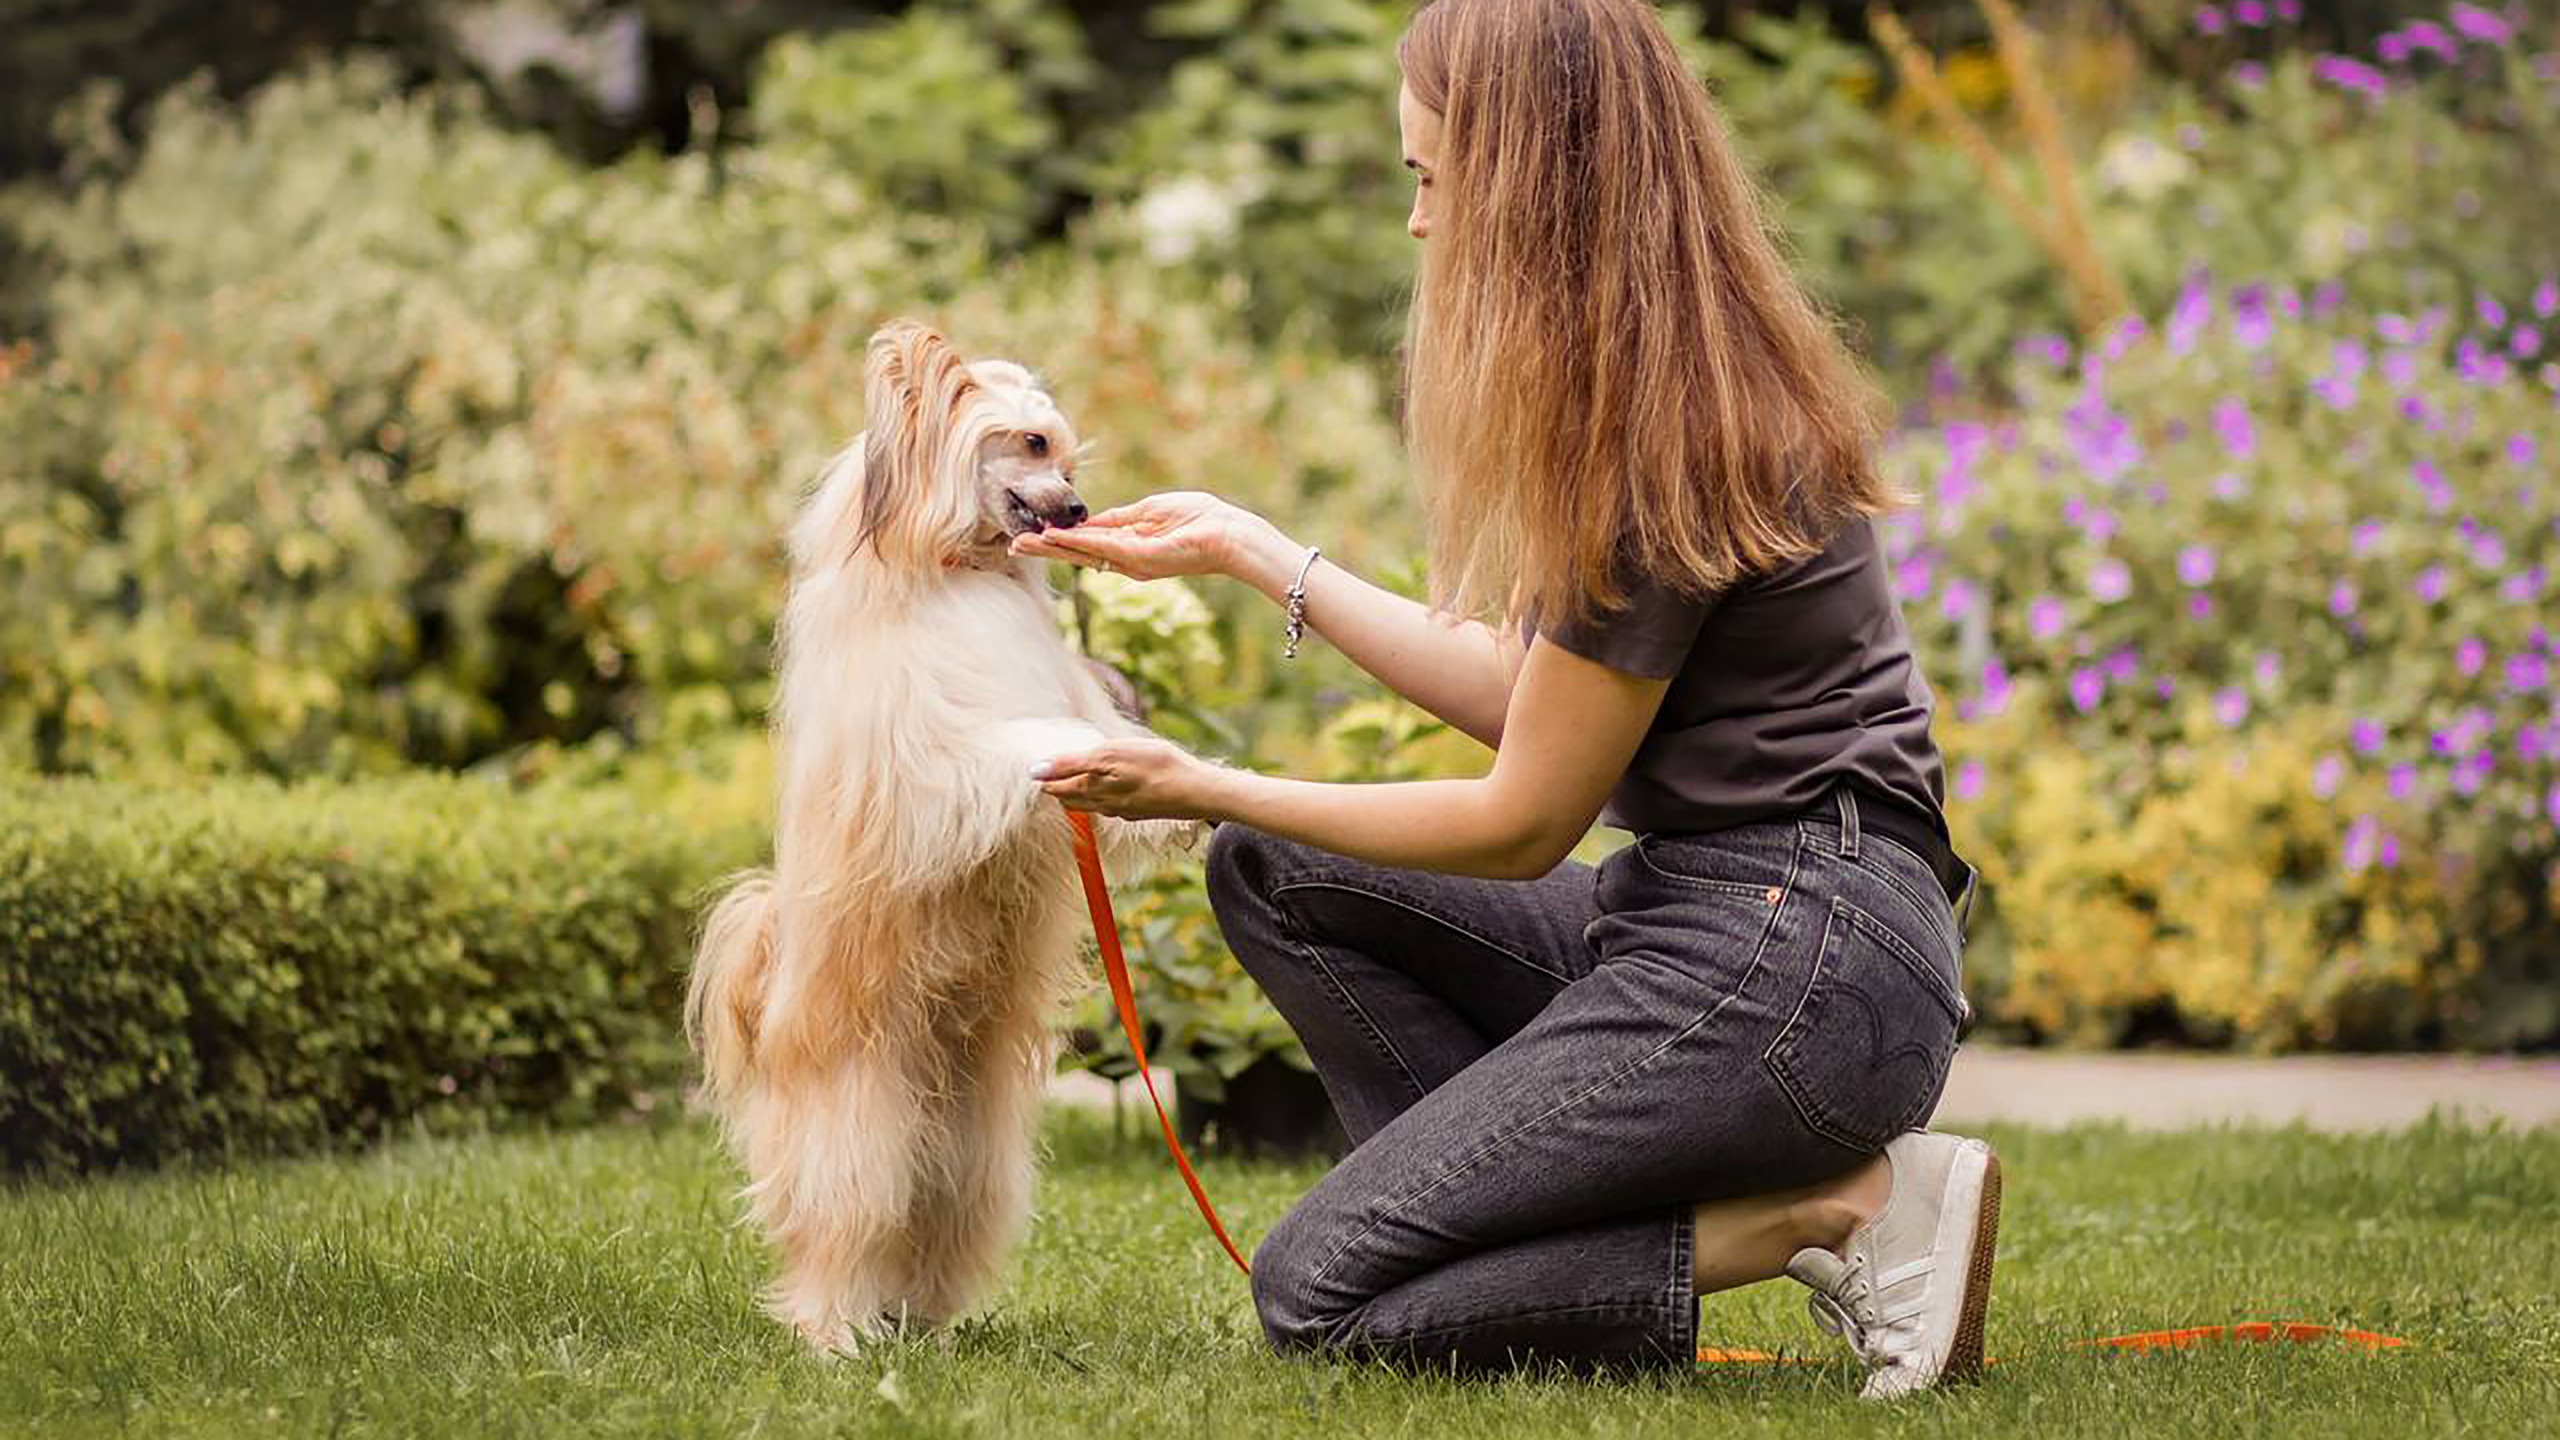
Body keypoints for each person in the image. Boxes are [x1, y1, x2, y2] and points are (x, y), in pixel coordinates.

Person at [1010, 0, 1997, 1402]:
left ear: (1528, 181)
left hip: (1800, 971)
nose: (1419, 224)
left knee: (1322, 1295)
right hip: (1756, 927)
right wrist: (1255, 552)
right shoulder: (1654, 380)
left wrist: (1196, 779)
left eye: (1430, 180)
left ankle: (1836, 1213)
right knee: (1284, 871)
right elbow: (1531, 703)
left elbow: (1527, 819)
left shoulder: (1670, 437)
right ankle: (1487, 1255)